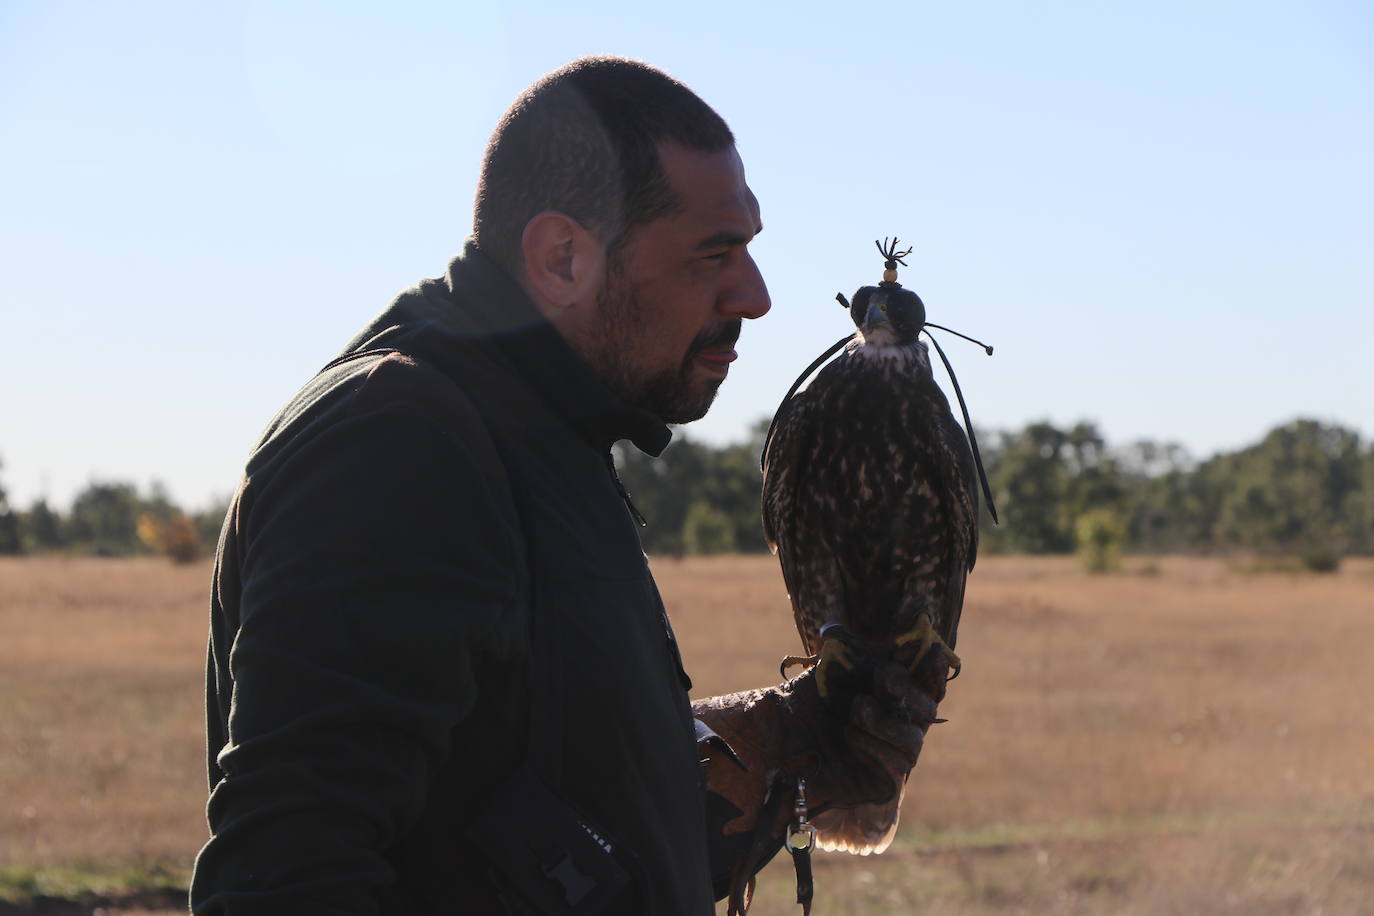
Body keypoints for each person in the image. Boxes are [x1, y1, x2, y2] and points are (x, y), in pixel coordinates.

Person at [190, 56, 938, 916]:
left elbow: (515, 833)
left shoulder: (539, 432)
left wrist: (785, 743)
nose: (756, 295)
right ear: (561, 257)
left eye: (750, 249)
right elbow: (287, 875)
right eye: (712, 255)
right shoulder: (397, 441)